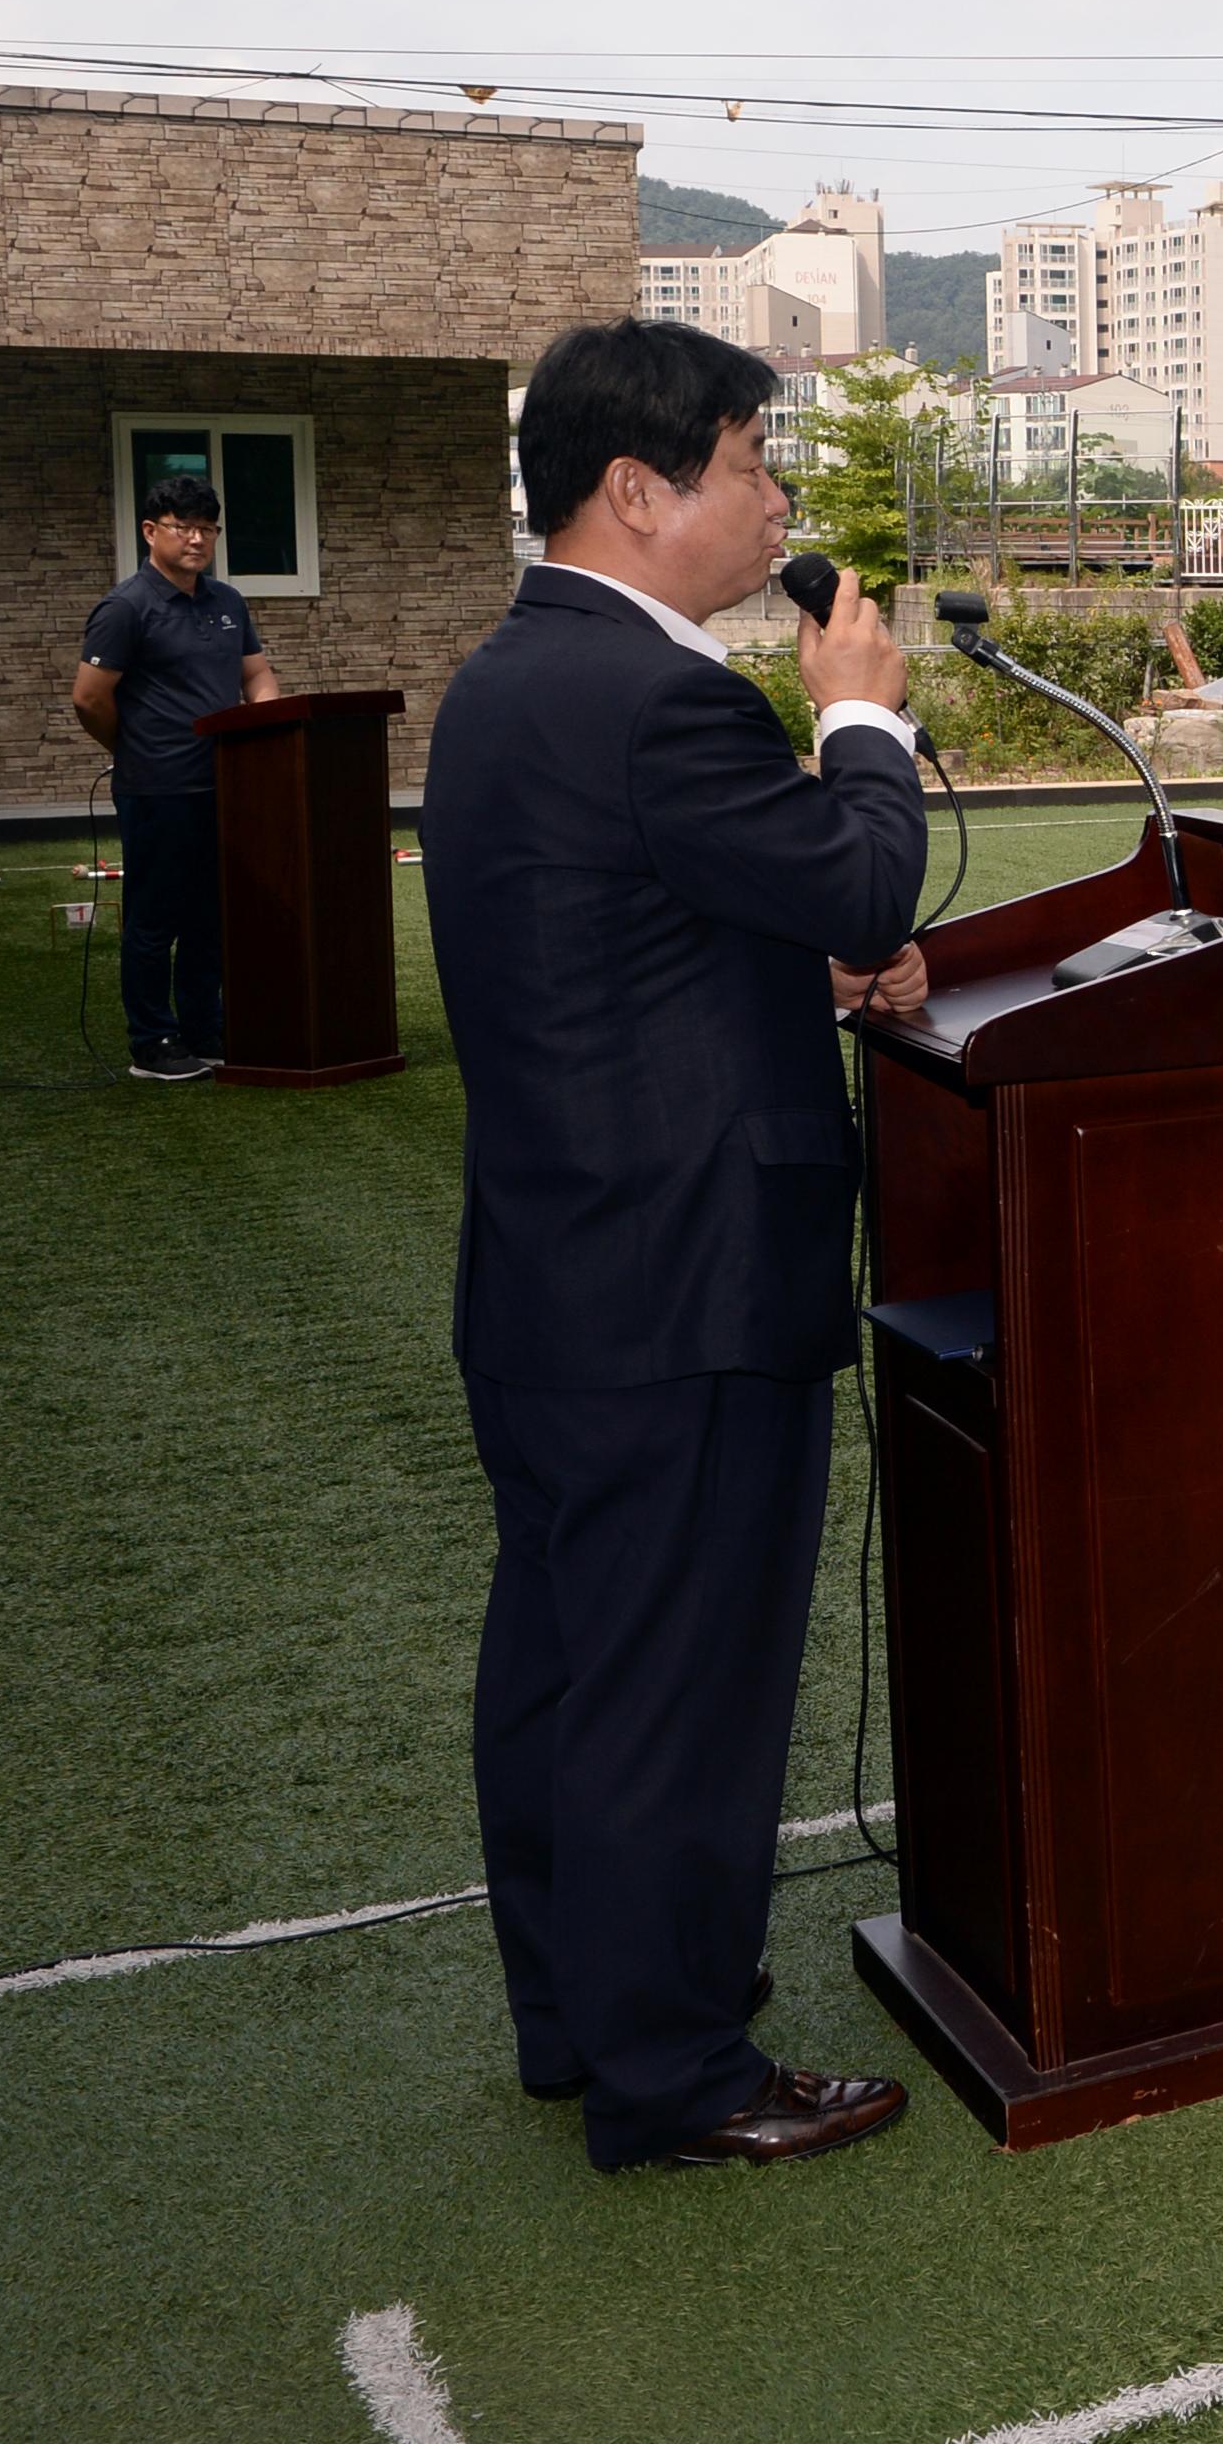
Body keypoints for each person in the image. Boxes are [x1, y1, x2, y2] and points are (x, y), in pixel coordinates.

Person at [421, 316, 925, 2172]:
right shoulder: (666, 697)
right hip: (683, 1286)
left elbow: (620, 940)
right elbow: (866, 869)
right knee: (675, 1695)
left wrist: (799, 947)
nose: (778, 502)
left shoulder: (512, 680)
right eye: (752, 466)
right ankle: (679, 2073)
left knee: (567, 1667)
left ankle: (590, 2009)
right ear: (638, 491)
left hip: (563, 1276)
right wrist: (859, 708)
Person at [73, 469, 284, 1080]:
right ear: (150, 531)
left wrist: (266, 731)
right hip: (158, 789)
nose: (196, 539)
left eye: (207, 529)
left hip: (227, 784)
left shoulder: (227, 602)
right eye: (182, 527)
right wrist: (134, 748)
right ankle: (152, 1041)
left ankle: (204, 1028)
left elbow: (257, 677)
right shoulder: (125, 607)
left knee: (210, 917)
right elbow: (89, 698)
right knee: (154, 918)